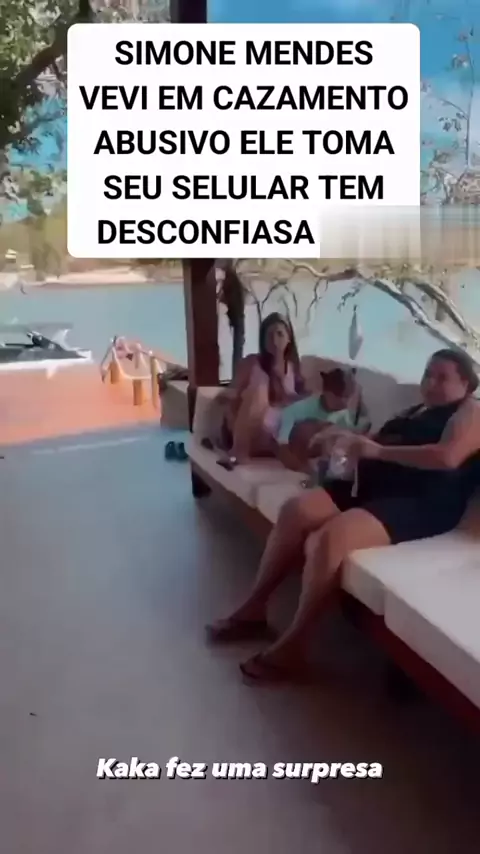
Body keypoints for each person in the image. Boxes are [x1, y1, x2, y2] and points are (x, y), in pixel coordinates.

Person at [207, 349, 480, 682]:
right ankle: (254, 609)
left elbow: (448, 457)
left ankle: (295, 646)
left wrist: (378, 451)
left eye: (442, 377)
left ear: (467, 384)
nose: (431, 383)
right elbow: (375, 442)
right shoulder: (416, 410)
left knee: (330, 537)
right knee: (296, 511)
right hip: (374, 484)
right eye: (427, 375)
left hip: (421, 501)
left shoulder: (471, 410)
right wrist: (344, 439)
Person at [217, 312, 304, 463]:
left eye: (279, 334)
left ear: (289, 338)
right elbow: (231, 392)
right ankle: (238, 451)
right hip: (247, 430)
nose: (275, 340)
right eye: (269, 335)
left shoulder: (294, 369)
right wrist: (233, 399)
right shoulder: (252, 363)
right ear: (262, 340)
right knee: (259, 386)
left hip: (273, 436)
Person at [274, 368, 370, 473]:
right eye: (341, 397)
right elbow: (282, 447)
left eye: (348, 397)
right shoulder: (298, 410)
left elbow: (360, 431)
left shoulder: (345, 415)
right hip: (298, 453)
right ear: (327, 393)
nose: (345, 403)